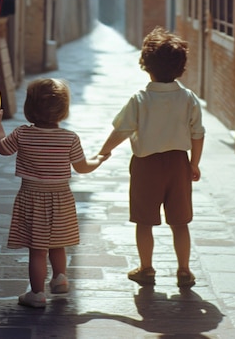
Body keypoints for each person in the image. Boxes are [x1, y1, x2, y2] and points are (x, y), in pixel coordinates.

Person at [99, 26, 205, 289]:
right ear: (181, 67)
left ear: (146, 65)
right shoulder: (188, 98)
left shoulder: (140, 99)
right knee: (180, 222)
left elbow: (121, 130)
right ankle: (184, 270)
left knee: (144, 221)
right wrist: (194, 163)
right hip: (179, 164)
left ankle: (146, 268)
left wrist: (104, 151)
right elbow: (198, 134)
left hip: (146, 166)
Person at [0, 77, 107, 308]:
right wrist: (99, 159)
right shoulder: (70, 138)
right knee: (58, 243)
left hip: (32, 198)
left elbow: (2, 148)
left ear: (29, 108)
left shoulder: (23, 134)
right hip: (61, 198)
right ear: (64, 110)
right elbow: (82, 167)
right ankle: (60, 278)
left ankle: (37, 294)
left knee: (37, 249)